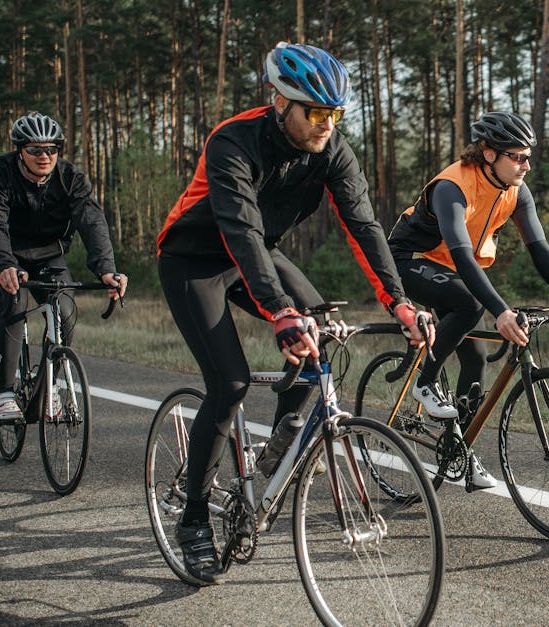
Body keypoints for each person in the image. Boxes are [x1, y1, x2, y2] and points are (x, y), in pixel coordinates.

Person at [156, 41, 433, 586]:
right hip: (194, 260)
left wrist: (399, 301)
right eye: (316, 112)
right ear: (280, 102)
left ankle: (274, 459)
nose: (327, 124)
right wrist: (280, 312)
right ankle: (194, 523)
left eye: (335, 114)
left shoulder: (332, 150)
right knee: (230, 382)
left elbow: (363, 226)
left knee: (322, 335)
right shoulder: (233, 140)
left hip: (262, 254)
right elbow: (240, 229)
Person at [388, 111, 549, 490]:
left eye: (529, 157)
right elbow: (461, 253)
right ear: (488, 154)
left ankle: (458, 452)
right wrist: (501, 310)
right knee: (470, 306)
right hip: (410, 261)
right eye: (517, 157)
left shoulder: (516, 191)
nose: (526, 165)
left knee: (474, 360)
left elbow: (539, 249)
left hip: (452, 269)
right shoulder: (452, 187)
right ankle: (425, 383)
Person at [0, 112, 127, 425]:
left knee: (66, 311)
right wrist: (5, 264)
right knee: (16, 302)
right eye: (36, 150)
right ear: (19, 151)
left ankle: (48, 386)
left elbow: (91, 221)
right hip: (2, 254)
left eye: (52, 150)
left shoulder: (71, 178)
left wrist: (106, 270)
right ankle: (3, 392)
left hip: (48, 255)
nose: (45, 156)